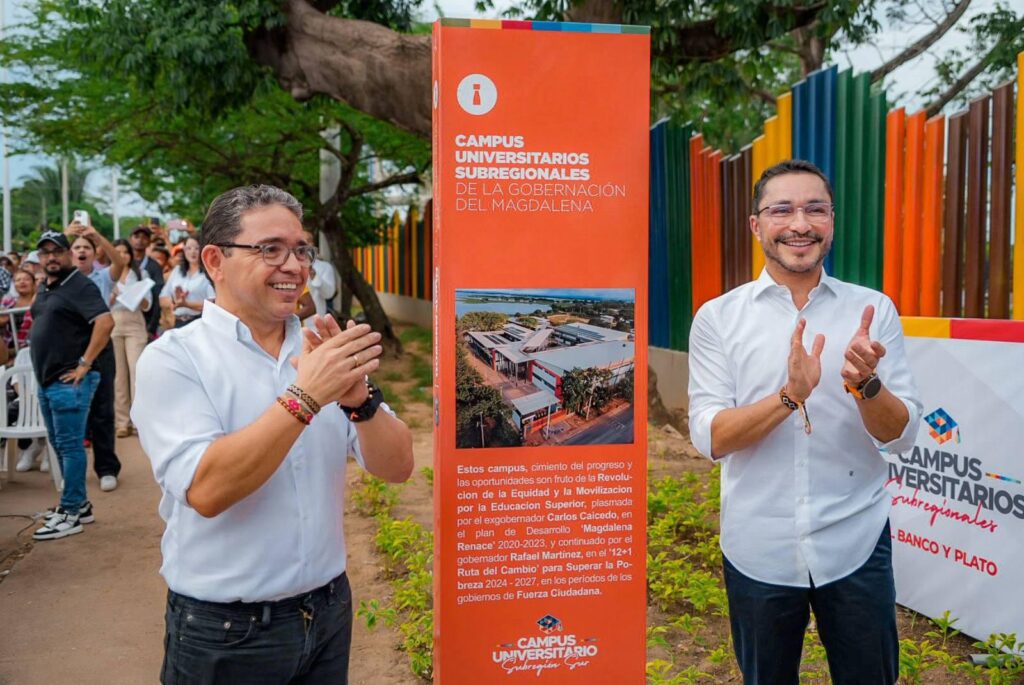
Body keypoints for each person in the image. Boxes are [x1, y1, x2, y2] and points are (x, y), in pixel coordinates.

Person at [132, 184, 413, 684]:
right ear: (215, 260)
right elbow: (208, 489)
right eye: (270, 249)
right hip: (226, 631)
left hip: (328, 611)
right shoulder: (174, 359)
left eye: (302, 250)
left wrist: (359, 400)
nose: (294, 266)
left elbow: (397, 467)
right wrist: (307, 396)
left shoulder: (320, 349)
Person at [687, 159, 923, 685]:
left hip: (856, 540)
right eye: (782, 210)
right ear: (756, 225)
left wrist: (867, 385)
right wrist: (790, 397)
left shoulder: (872, 311)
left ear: (832, 220)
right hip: (758, 546)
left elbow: (900, 434)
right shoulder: (718, 318)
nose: (800, 224)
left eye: (815, 209)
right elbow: (711, 437)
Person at [29, 231, 114, 540]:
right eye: (45, 252)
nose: (51, 257)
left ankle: (70, 513)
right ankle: (80, 504)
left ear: (67, 254)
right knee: (59, 444)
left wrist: (84, 364)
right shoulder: (47, 286)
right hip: (48, 379)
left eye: (57, 251)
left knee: (69, 446)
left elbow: (105, 322)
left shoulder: (80, 284)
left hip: (70, 380)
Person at [69, 225, 126, 492]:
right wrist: (67, 234)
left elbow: (119, 262)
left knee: (103, 410)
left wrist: (95, 235)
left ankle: (106, 469)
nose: (82, 251)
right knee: (71, 410)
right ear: (70, 253)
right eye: (77, 247)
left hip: (101, 346)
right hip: (71, 348)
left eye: (86, 248)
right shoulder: (63, 280)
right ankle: (71, 471)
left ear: (94, 254)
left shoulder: (103, 277)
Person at [3, 269, 46, 472]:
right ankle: (28, 448)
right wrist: (27, 397)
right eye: (17, 279)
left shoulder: (43, 301)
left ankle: (48, 451)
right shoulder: (23, 353)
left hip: (48, 391)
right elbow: (16, 381)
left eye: (26, 279)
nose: (22, 282)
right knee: (13, 407)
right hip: (24, 391)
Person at [109, 239, 152, 437]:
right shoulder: (108, 275)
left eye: (125, 252)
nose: (122, 255)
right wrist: (112, 295)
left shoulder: (141, 274)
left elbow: (148, 305)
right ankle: (122, 422)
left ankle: (138, 421)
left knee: (137, 371)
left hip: (135, 321)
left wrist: (137, 295)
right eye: (117, 252)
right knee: (119, 375)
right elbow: (102, 303)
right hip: (114, 321)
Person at [159, 236, 214, 328]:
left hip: (200, 321)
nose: (192, 252)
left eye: (196, 248)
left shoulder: (208, 273)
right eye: (189, 248)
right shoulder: (177, 271)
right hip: (178, 322)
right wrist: (174, 302)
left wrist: (186, 304)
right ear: (184, 250)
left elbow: (213, 303)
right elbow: (163, 297)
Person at [130, 225, 165, 339]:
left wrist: (152, 327)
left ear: (149, 241)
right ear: (130, 239)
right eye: (136, 236)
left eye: (144, 237)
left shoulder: (154, 266)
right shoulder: (124, 264)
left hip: (146, 320)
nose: (140, 240)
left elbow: (157, 297)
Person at [304, 230, 338, 320]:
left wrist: (314, 275)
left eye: (308, 241)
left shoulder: (325, 267)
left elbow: (328, 294)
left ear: (312, 244)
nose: (305, 245)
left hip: (315, 323)